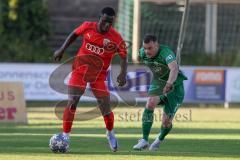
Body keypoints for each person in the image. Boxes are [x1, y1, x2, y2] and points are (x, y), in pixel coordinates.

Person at [53, 7, 127, 152]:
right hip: (79, 71)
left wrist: (123, 73)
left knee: (105, 108)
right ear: (100, 18)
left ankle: (110, 132)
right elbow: (73, 35)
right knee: (73, 101)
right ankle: (66, 136)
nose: (106, 25)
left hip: (98, 76)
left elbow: (124, 55)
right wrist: (62, 49)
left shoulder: (116, 37)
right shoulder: (87, 26)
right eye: (105, 21)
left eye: (110, 23)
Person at [133, 34, 187, 151]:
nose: (147, 51)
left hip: (175, 86)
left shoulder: (165, 52)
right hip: (159, 82)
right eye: (145, 48)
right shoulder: (143, 52)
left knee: (166, 122)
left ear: (157, 46)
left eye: (150, 48)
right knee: (150, 102)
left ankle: (159, 140)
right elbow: (136, 57)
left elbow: (174, 68)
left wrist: (169, 84)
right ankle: (144, 140)